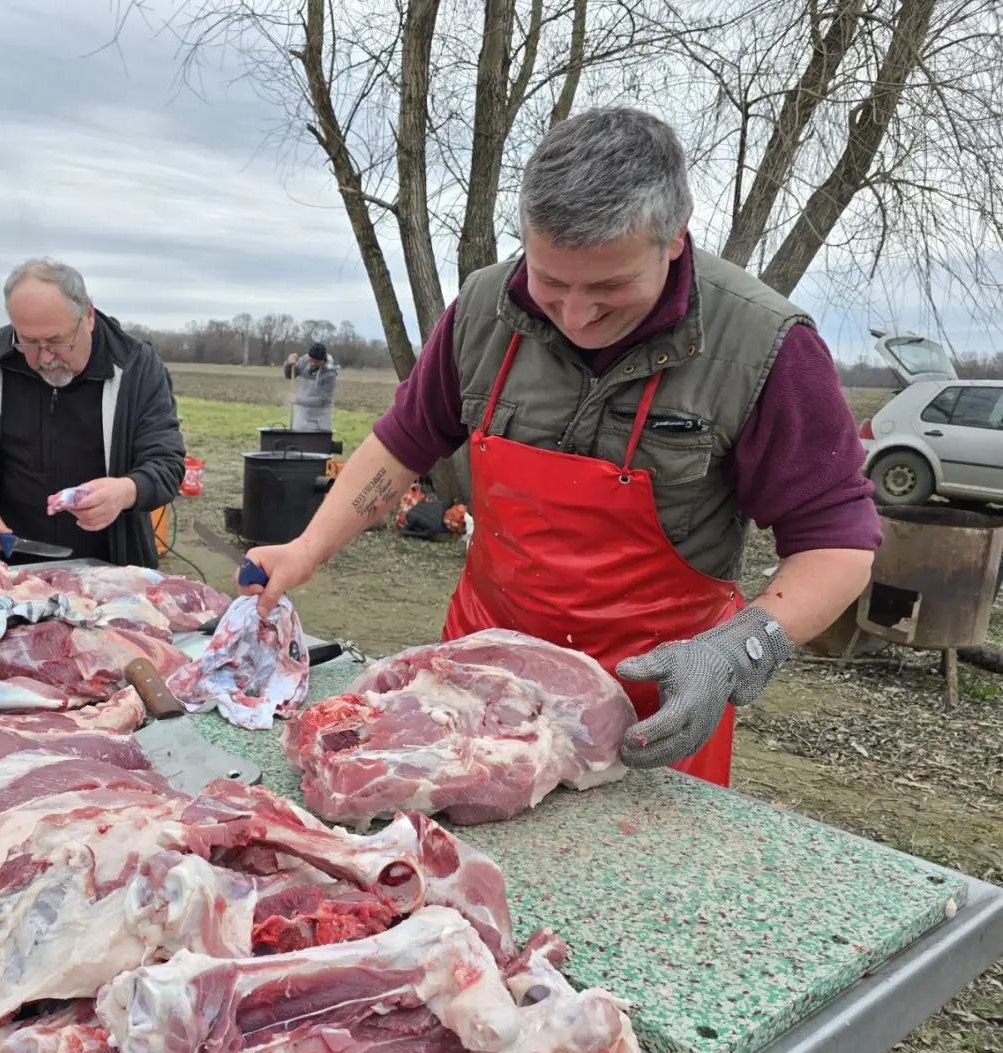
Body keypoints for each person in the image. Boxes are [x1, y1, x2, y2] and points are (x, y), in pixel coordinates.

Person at [241, 107, 880, 787]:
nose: (576, 316)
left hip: (651, 718)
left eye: (609, 288)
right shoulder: (484, 310)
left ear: (675, 236)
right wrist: (306, 548)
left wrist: (735, 652)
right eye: (551, 282)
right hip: (470, 701)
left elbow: (837, 542)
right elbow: (401, 444)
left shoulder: (764, 347)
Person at [0, 257, 186, 566]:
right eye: (27, 342)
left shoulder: (137, 368)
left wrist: (124, 491)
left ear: (89, 316)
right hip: (4, 569)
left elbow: (166, 466)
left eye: (57, 341)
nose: (43, 358)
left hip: (110, 570)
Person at [283, 342, 339, 431]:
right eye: (311, 360)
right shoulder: (304, 360)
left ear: (322, 360)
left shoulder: (329, 373)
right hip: (302, 415)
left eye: (316, 362)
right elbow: (289, 375)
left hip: (320, 419)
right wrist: (289, 364)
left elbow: (324, 400)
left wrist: (298, 400)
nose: (312, 363)